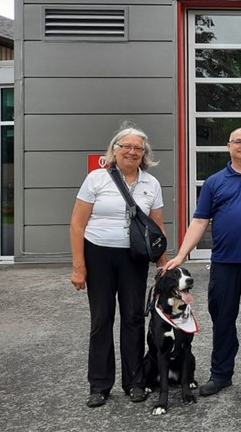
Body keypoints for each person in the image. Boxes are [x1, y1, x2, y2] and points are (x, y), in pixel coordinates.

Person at [163, 127, 241, 398]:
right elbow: (199, 221)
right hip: (224, 263)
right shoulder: (214, 182)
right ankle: (221, 374)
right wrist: (181, 255)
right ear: (229, 146)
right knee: (222, 319)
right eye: (238, 141)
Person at [70, 125, 166, 408]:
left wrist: (163, 264)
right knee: (101, 320)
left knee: (134, 318)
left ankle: (134, 382)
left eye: (138, 148)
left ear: (144, 154)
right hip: (98, 253)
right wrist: (79, 267)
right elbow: (77, 223)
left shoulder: (151, 184)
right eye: (127, 147)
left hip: (134, 257)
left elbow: (157, 227)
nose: (132, 152)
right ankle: (99, 385)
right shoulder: (96, 178)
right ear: (115, 150)